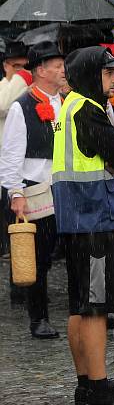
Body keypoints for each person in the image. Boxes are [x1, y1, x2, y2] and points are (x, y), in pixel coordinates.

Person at [53, 46, 114, 405]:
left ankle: (85, 385)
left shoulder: (69, 107)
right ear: (94, 75)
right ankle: (99, 385)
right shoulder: (87, 110)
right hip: (93, 216)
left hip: (78, 218)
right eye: (109, 73)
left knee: (80, 305)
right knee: (95, 306)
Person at [0, 42, 64, 338]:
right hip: (36, 190)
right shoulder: (21, 106)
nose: (62, 70)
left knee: (61, 252)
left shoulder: (67, 103)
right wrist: (15, 193)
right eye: (57, 66)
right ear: (41, 71)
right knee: (38, 257)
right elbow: (11, 154)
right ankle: (39, 317)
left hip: (64, 188)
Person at [1, 40, 30, 296]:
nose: (21, 71)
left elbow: (10, 105)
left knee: (19, 227)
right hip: (5, 162)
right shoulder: (8, 85)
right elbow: (3, 105)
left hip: (16, 164)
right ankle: (16, 279)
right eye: (15, 66)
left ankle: (22, 279)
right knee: (11, 228)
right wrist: (17, 79)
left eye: (24, 66)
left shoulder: (20, 84)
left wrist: (17, 78)